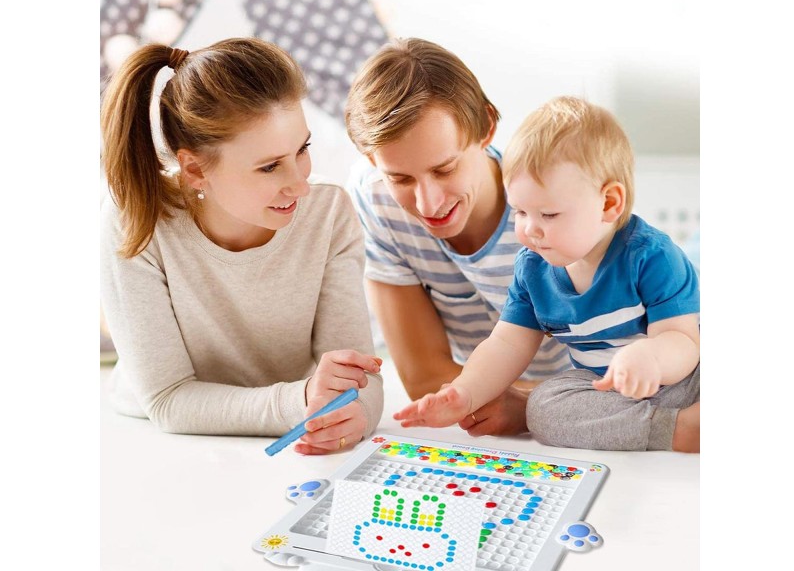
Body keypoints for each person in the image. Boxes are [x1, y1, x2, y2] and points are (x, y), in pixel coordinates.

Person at [99, 38, 383, 454]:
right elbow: (168, 399)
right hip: (157, 444)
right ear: (195, 169)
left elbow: (358, 377)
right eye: (269, 166)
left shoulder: (328, 214)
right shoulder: (135, 220)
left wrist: (354, 414)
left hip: (286, 434)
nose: (300, 185)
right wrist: (300, 401)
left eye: (302, 149)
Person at [395, 96, 701, 452]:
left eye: (549, 215)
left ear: (608, 203)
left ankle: (676, 421)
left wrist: (651, 358)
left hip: (686, 376)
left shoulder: (650, 255)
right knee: (542, 408)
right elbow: (506, 345)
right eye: (520, 212)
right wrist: (465, 393)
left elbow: (683, 342)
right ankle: (676, 428)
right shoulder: (532, 270)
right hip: (604, 391)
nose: (530, 229)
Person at [344, 38, 571, 436]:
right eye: (401, 178)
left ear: (486, 127)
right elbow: (424, 378)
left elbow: (622, 377)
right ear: (371, 159)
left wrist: (527, 404)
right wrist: (503, 399)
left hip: (580, 414)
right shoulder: (375, 198)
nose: (428, 203)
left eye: (445, 169)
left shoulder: (555, 206)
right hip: (491, 421)